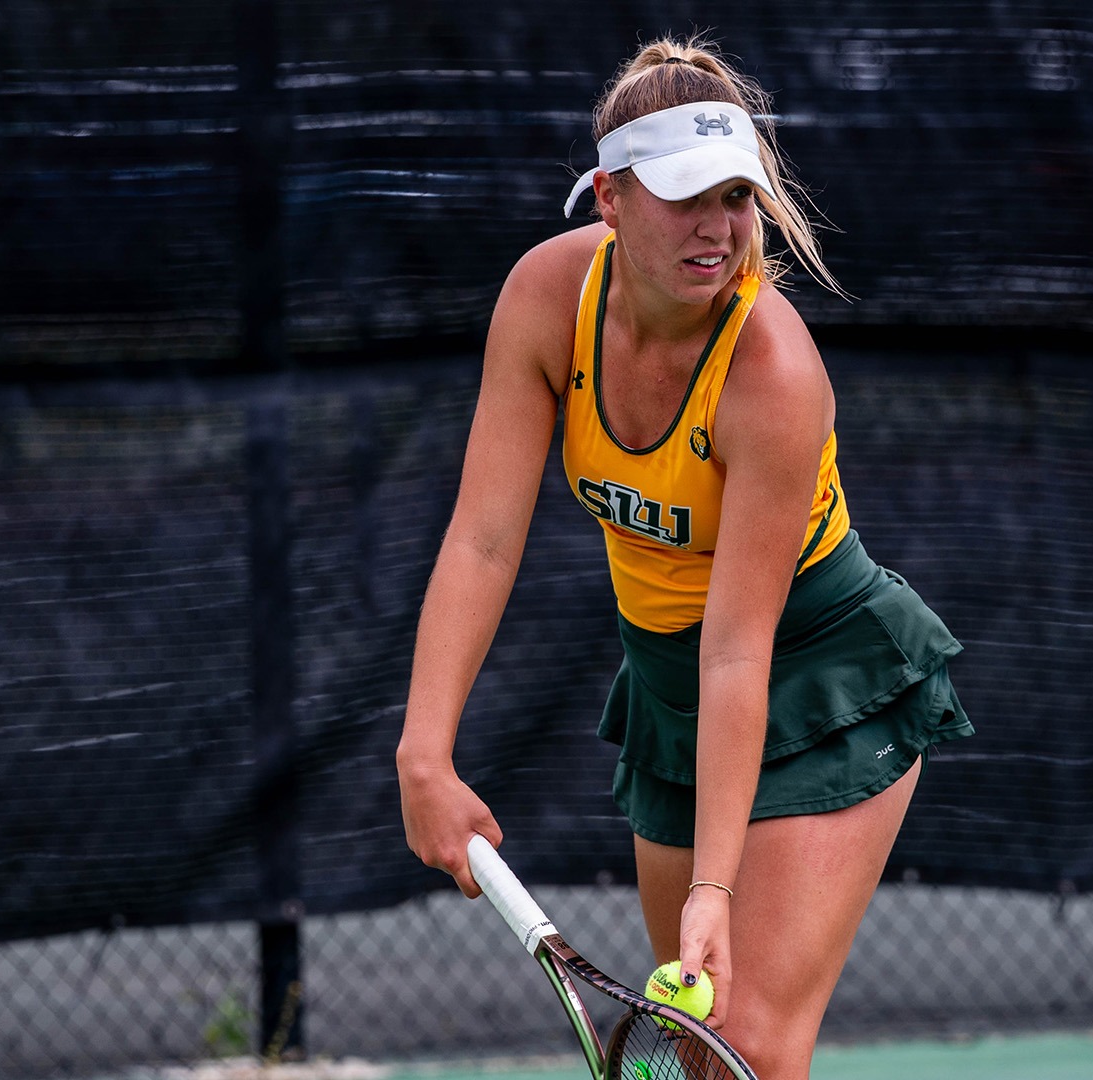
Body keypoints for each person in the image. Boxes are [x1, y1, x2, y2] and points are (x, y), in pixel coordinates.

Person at [397, 37, 972, 1080]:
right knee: (700, 1060)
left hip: (816, 672)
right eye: (684, 195)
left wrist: (715, 892)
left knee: (748, 1047)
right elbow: (482, 540)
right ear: (610, 198)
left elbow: (738, 650)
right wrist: (424, 754)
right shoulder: (544, 299)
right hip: (673, 692)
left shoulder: (773, 373)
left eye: (737, 198)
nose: (718, 227)